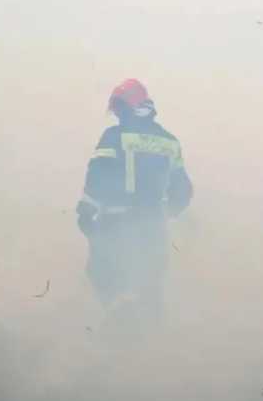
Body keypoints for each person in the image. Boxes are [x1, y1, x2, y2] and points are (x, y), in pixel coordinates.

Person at [77, 79, 192, 320]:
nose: (117, 113)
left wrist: (85, 210)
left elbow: (98, 174)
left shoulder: (114, 136)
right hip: (154, 229)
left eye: (119, 107)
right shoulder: (169, 141)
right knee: (150, 286)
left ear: (127, 107)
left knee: (103, 275)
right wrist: (163, 214)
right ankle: (151, 347)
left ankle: (117, 331)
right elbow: (183, 190)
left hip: (116, 223)